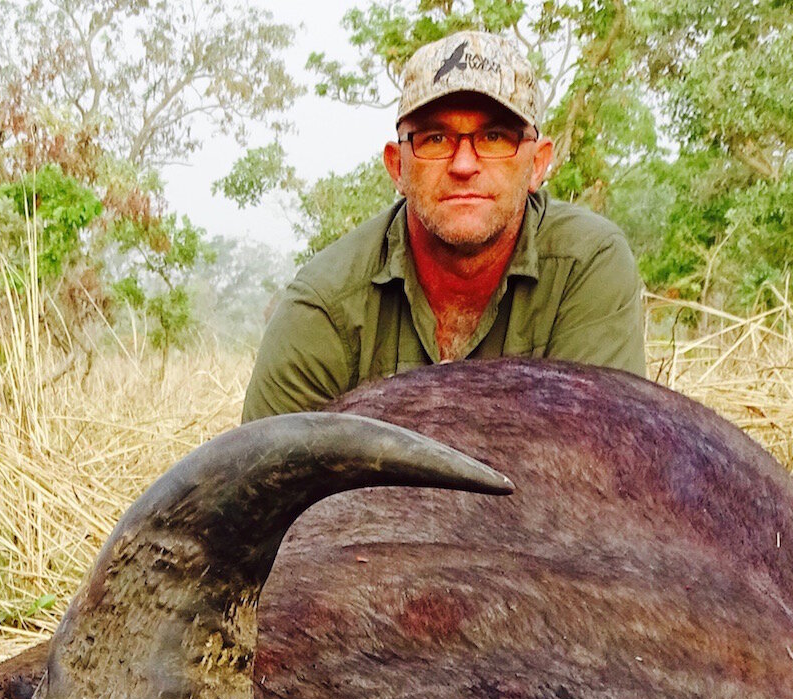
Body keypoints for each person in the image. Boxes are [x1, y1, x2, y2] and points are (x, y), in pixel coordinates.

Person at [242, 30, 646, 422]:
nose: (464, 165)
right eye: (436, 139)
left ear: (537, 164)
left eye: (495, 136)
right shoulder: (323, 308)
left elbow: (601, 467)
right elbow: (265, 484)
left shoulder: (588, 265)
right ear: (397, 166)